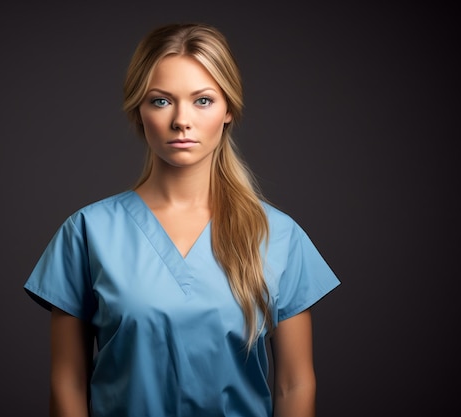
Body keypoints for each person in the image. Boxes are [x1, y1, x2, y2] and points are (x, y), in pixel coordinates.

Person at [24, 22, 340, 417]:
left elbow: (295, 385)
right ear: (138, 111)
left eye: (203, 100)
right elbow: (67, 382)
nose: (181, 120)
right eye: (161, 101)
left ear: (229, 109)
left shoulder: (277, 235)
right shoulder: (88, 232)